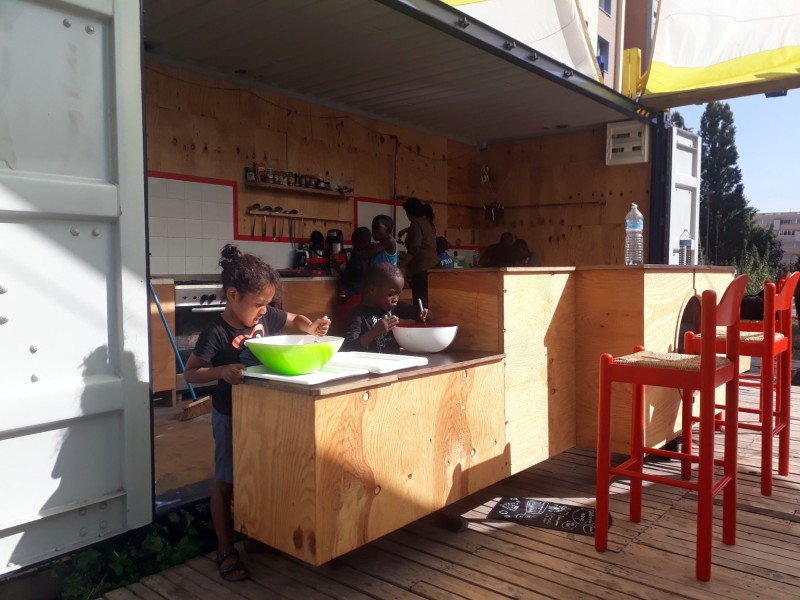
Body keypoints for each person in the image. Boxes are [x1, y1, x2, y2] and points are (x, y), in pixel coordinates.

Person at [183, 243, 330, 582]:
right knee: (226, 479)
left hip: (263, 414)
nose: (265, 311)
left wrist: (310, 328)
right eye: (259, 304)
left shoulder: (267, 317)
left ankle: (256, 534)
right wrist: (221, 372)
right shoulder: (216, 332)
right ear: (233, 295)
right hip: (230, 415)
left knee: (259, 472)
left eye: (268, 304)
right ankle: (225, 548)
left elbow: (293, 318)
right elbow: (191, 373)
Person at [342, 263, 428, 353]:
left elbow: (418, 313)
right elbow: (347, 347)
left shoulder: (393, 308)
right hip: (373, 361)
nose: (395, 299)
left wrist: (424, 313)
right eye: (390, 294)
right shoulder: (358, 315)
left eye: (398, 294)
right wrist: (374, 332)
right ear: (372, 290)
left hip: (395, 360)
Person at [397, 197, 439, 308]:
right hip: (432, 266)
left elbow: (415, 248)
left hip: (422, 268)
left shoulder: (415, 223)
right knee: (427, 303)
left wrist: (401, 264)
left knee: (420, 304)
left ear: (409, 212)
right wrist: (407, 229)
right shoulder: (426, 222)